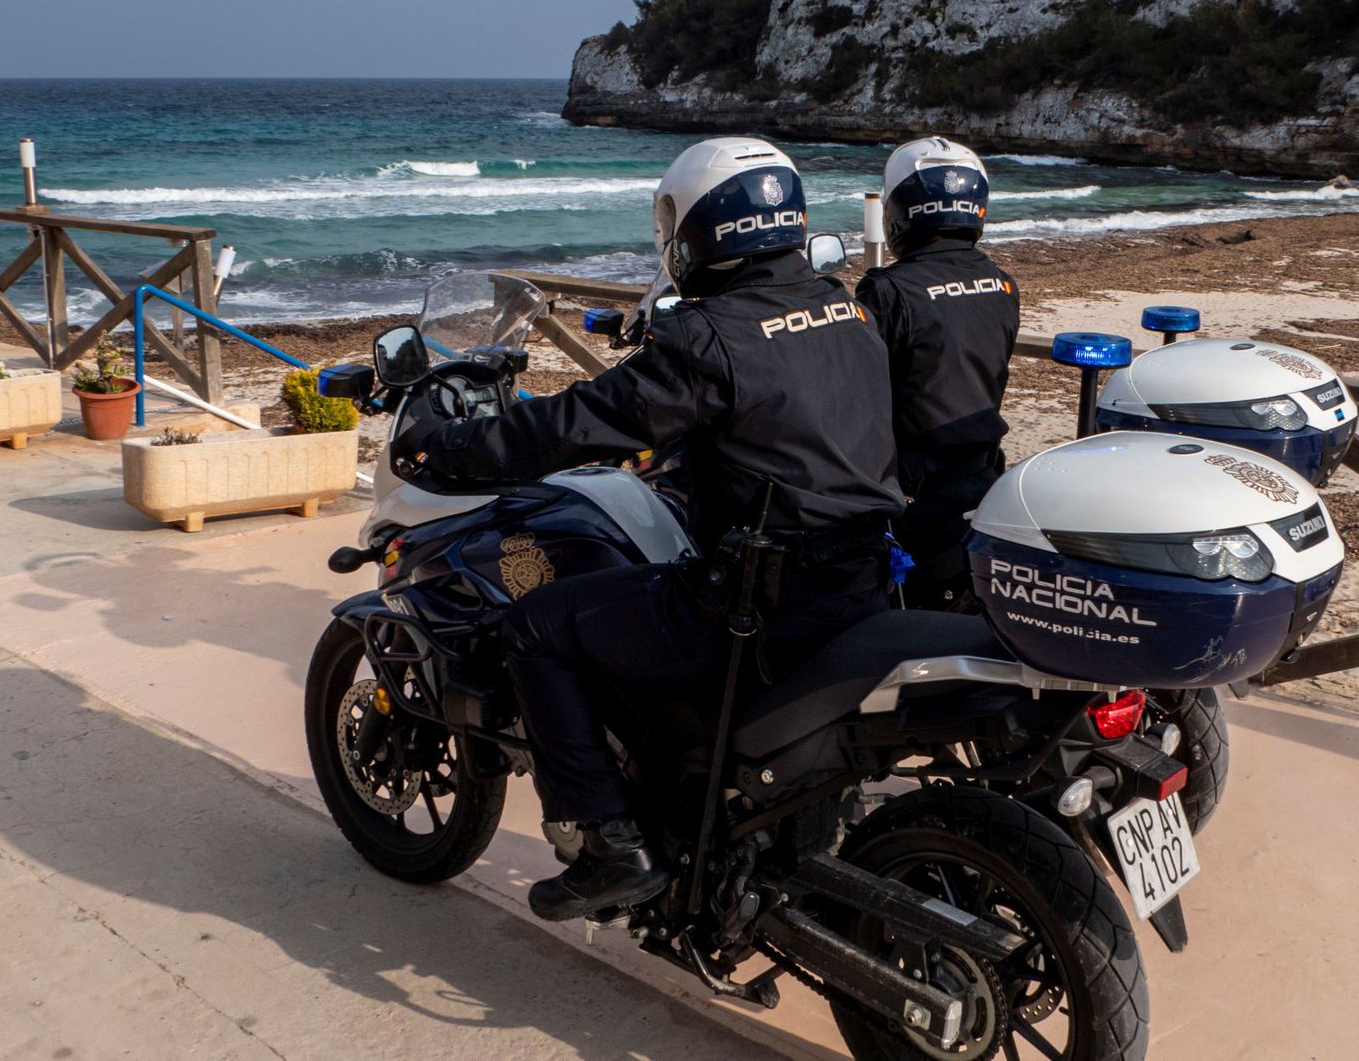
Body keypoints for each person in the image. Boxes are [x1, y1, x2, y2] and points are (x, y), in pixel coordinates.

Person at [410, 137, 904, 922]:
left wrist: (458, 445)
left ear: (706, 228)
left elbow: (578, 423)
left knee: (537, 623)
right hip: (865, 583)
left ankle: (612, 845)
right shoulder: (847, 310)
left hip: (755, 606)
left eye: (674, 216)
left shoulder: (711, 338)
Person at [855, 137, 1020, 609]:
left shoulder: (889, 291)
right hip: (982, 468)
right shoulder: (1001, 282)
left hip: (911, 489)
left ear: (900, 210)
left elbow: (857, 391)